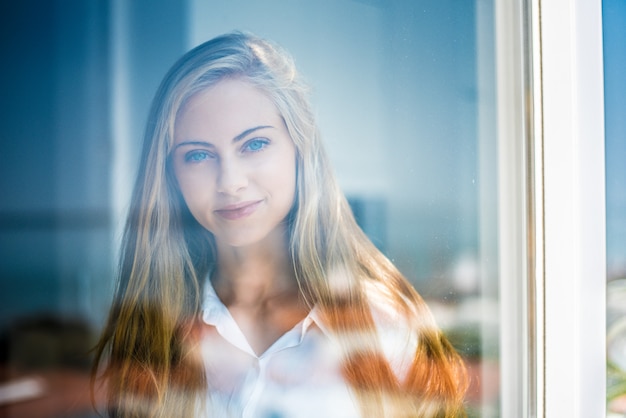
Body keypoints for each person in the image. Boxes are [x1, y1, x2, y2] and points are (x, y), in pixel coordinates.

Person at [92, 32, 468, 417]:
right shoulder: (143, 342)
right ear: (172, 174)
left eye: (254, 144)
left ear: (299, 150)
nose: (230, 181)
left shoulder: (382, 321)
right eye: (199, 155)